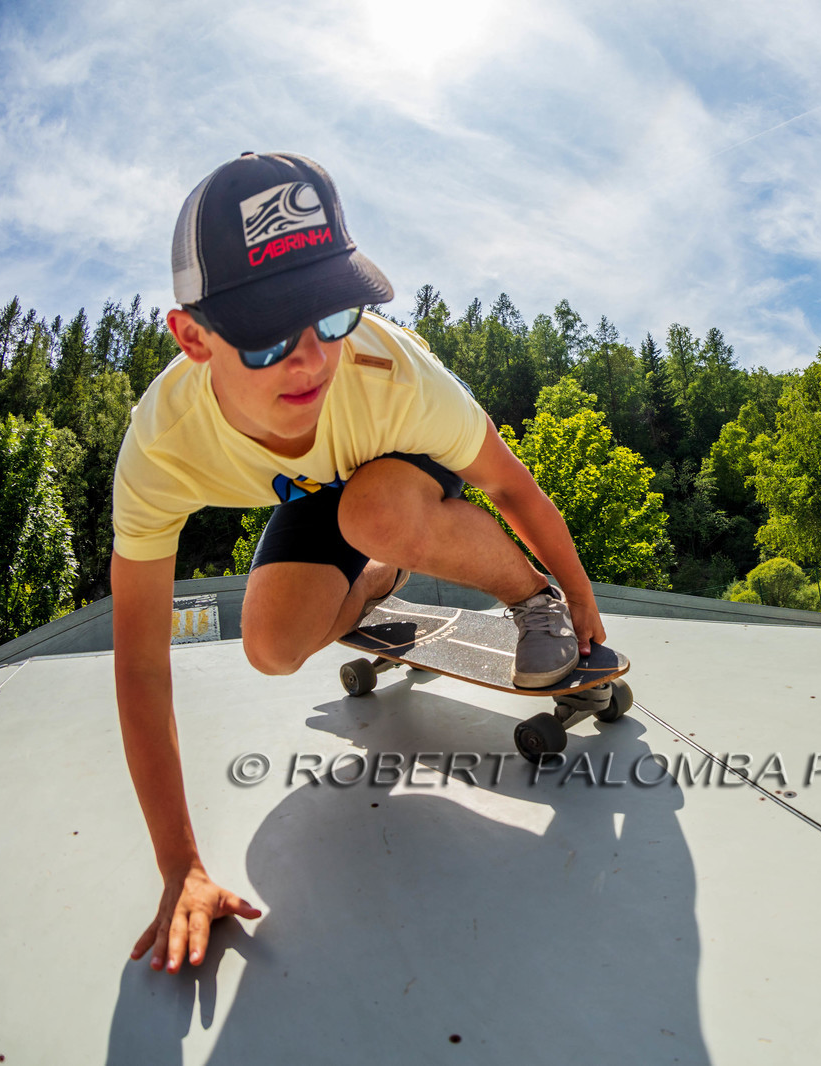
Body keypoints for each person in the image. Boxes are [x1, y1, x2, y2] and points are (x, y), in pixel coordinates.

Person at [111, 152, 606, 976]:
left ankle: (529, 601)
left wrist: (575, 599)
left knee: (374, 510)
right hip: (318, 495)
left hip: (397, 469)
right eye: (268, 337)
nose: (310, 361)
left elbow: (512, 489)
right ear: (193, 338)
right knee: (270, 648)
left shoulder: (397, 377)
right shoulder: (159, 447)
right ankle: (378, 576)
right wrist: (180, 864)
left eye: (331, 318)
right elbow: (139, 661)